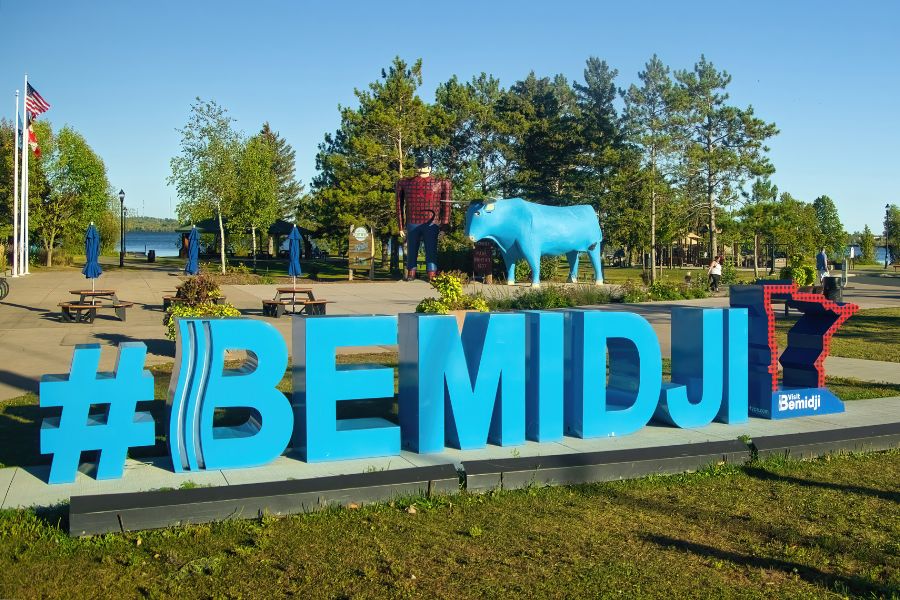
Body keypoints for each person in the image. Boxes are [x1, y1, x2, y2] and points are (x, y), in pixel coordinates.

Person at [396, 156, 452, 281]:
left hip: (431, 222)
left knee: (431, 249)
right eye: (420, 165)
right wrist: (400, 226)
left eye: (424, 165)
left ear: (430, 167)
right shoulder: (405, 183)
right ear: (416, 166)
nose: (422, 168)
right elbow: (398, 205)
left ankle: (431, 273)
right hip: (413, 221)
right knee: (412, 247)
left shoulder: (441, 183)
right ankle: (411, 272)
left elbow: (447, 206)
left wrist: (444, 226)